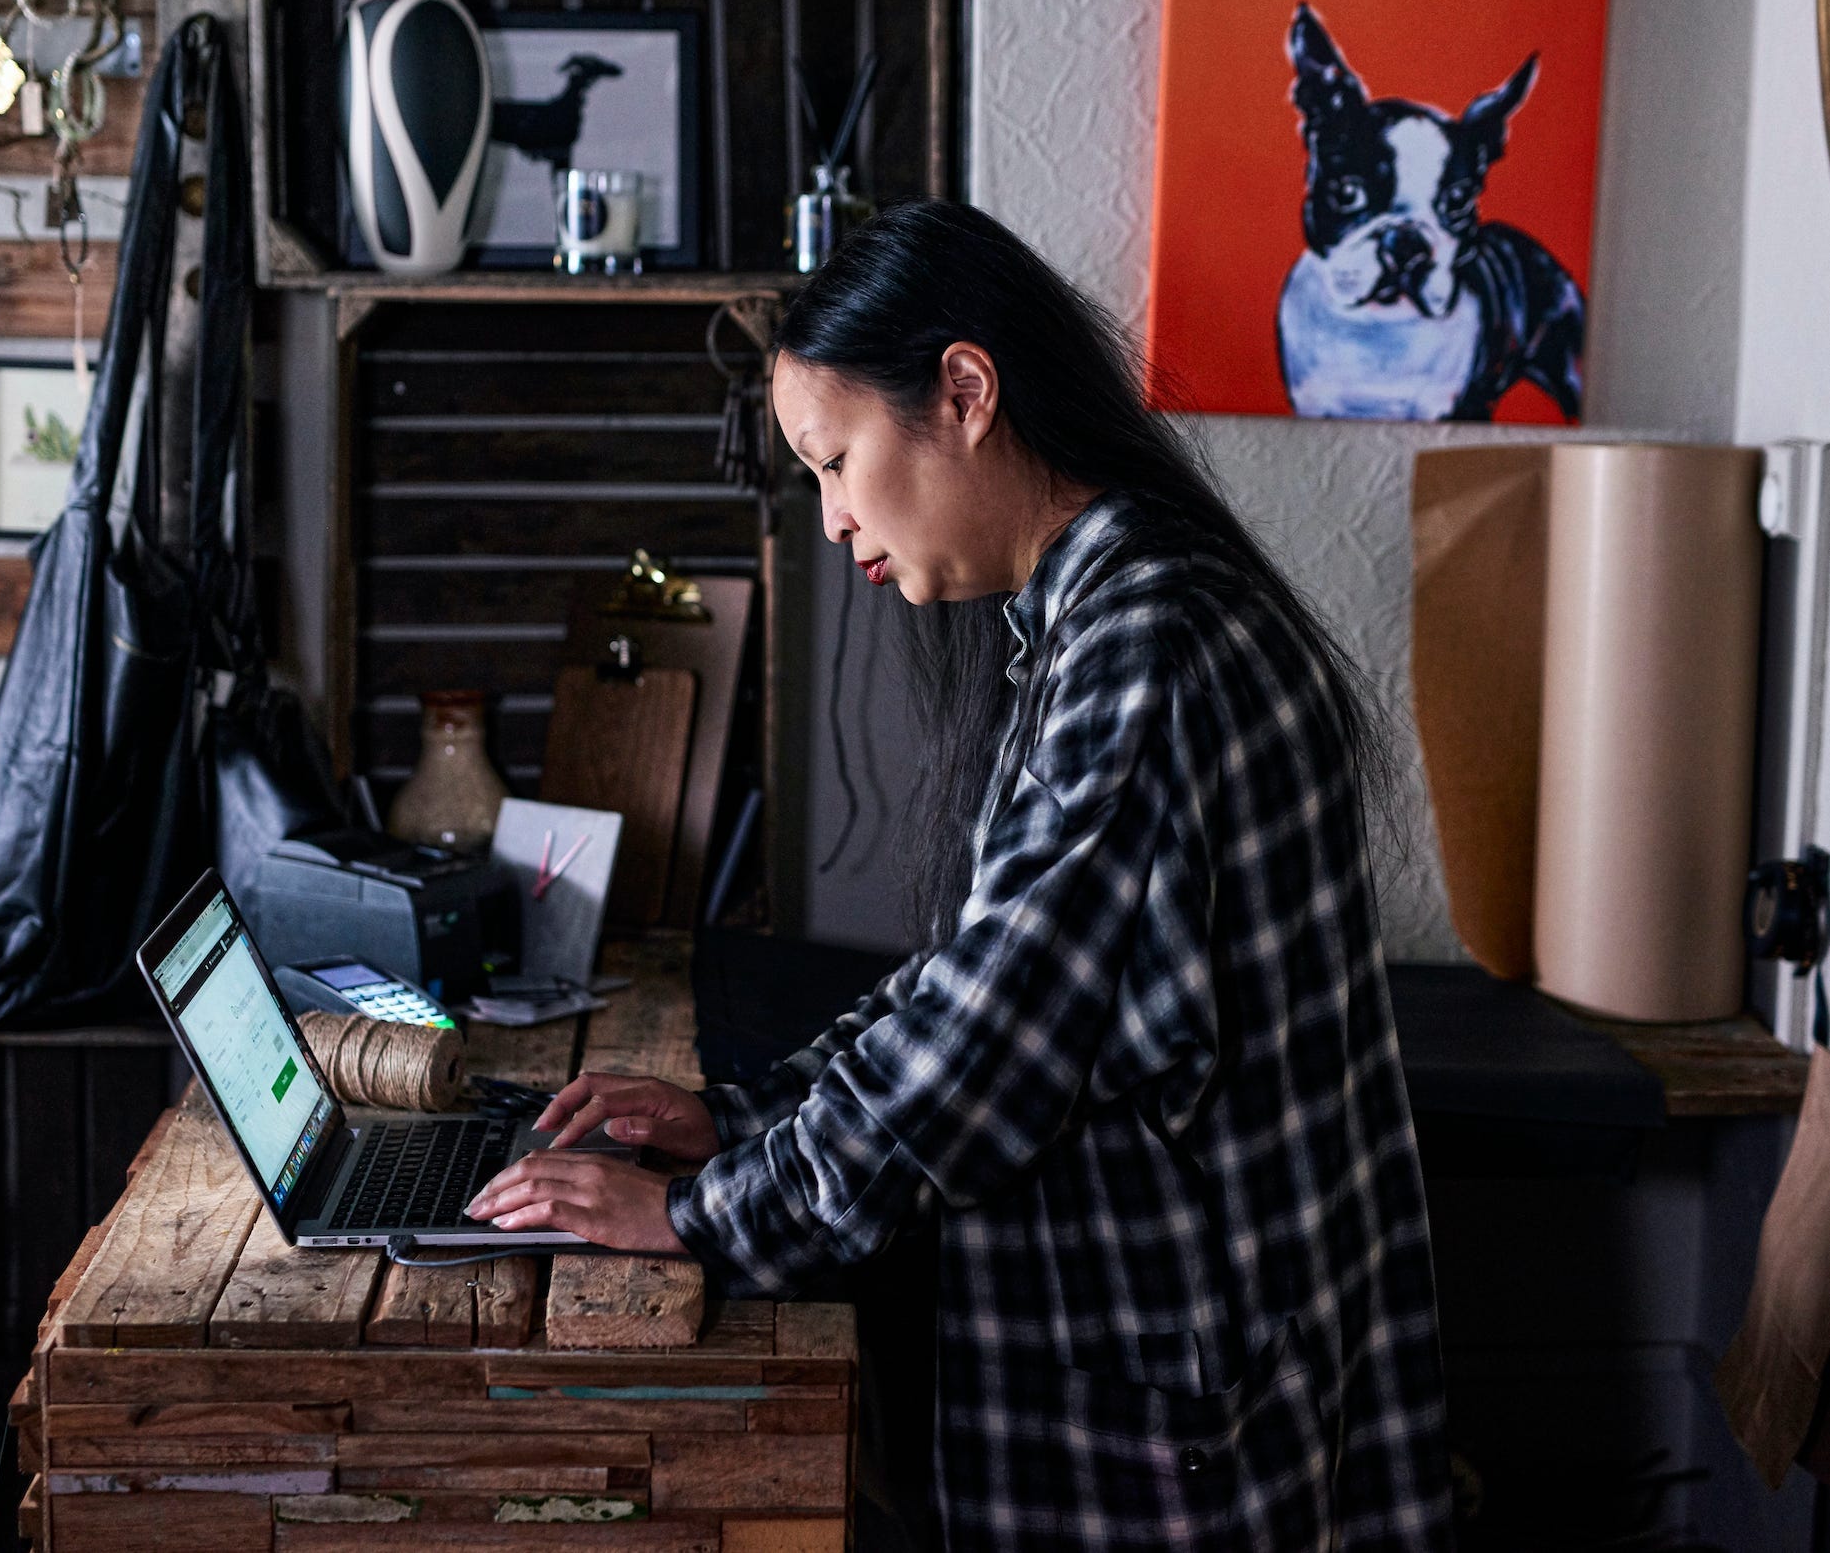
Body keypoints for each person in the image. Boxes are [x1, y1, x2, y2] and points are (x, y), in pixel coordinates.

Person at [466, 198, 1453, 1552]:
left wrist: (700, 1212)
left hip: (1165, 1431)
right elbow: (968, 977)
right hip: (1168, 1377)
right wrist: (744, 1115)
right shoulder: (1095, 620)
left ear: (963, 391)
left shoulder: (1143, 650)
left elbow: (983, 1047)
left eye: (834, 461)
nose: (828, 519)